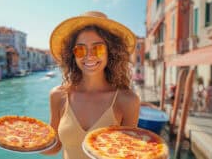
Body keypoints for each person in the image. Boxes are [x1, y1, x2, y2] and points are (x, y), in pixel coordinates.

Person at [42, 11, 140, 159]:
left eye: (98, 48)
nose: (89, 56)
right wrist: (27, 141)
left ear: (110, 52)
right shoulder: (58, 96)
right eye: (80, 49)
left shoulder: (128, 101)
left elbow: (128, 153)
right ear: (73, 55)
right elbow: (54, 147)